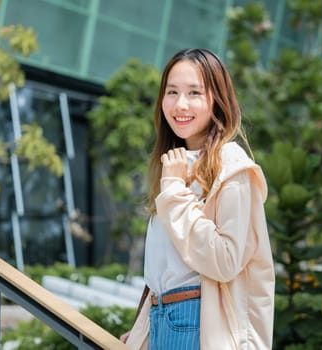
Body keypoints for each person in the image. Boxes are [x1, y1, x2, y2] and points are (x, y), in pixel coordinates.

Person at [121, 48, 275, 350]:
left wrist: (175, 191)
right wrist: (142, 331)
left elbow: (225, 261)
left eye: (194, 93)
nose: (180, 104)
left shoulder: (230, 164)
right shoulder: (174, 164)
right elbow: (164, 268)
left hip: (197, 324)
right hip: (161, 318)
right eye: (172, 92)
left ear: (217, 99)